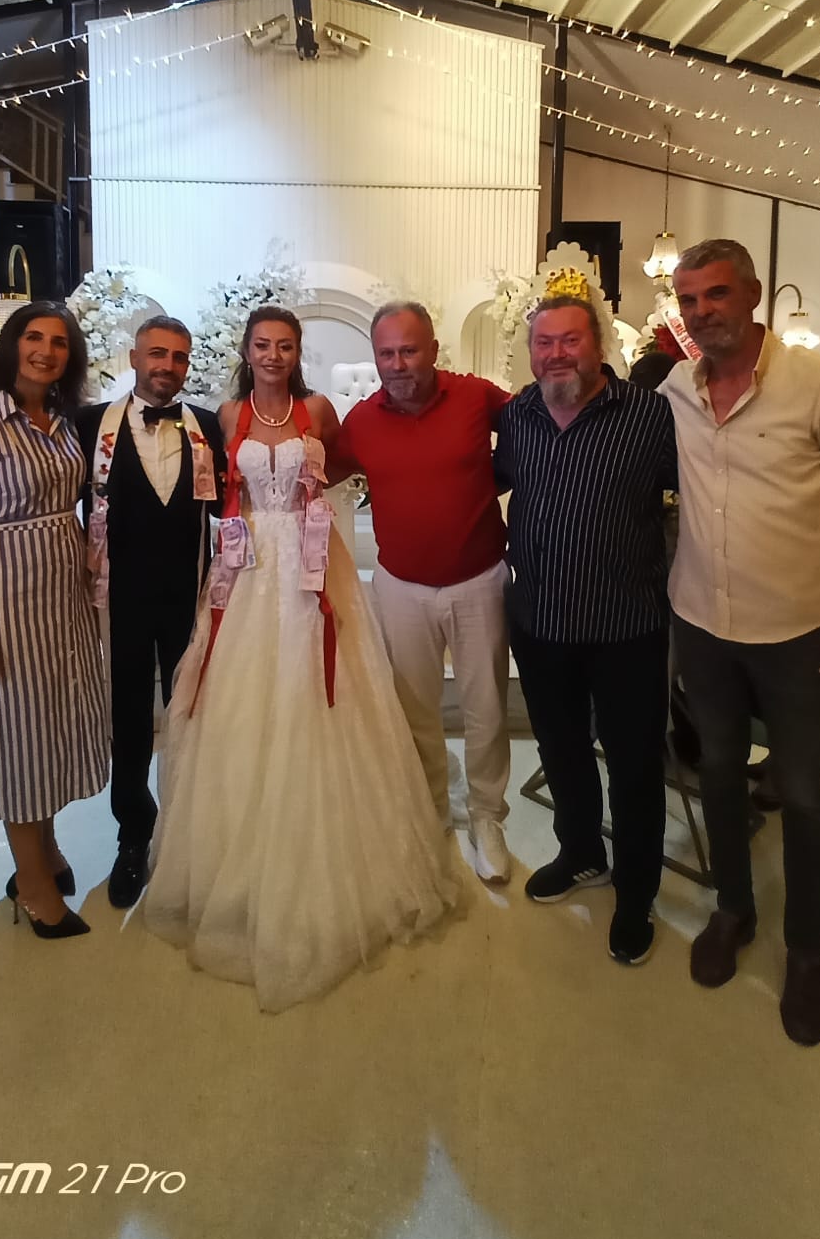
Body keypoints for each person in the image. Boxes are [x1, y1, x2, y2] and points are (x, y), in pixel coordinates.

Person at [142, 306, 453, 1012]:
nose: (274, 355)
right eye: (263, 345)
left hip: (315, 562)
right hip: (251, 566)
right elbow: (221, 490)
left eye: (285, 345)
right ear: (247, 351)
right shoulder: (228, 414)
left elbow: (347, 463)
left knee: (325, 692)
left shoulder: (320, 410)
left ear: (297, 351)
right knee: (247, 701)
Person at [663, 239, 820, 1045]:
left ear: (753, 294)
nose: (702, 312)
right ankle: (735, 908)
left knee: (801, 795)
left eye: (716, 294)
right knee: (719, 774)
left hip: (797, 634)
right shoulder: (676, 389)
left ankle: (806, 951)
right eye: (689, 300)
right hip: (702, 625)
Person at [495, 296, 677, 966]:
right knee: (562, 748)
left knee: (633, 765)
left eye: (569, 341)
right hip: (541, 621)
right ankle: (580, 853)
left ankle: (635, 892)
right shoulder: (517, 415)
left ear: (598, 345)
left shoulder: (650, 415)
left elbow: (697, 497)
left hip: (626, 625)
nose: (556, 355)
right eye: (543, 343)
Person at [0, 301, 108, 940]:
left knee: (48, 727)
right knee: (18, 736)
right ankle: (33, 885)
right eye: (34, 338)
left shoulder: (61, 423)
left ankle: (46, 849)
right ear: (12, 346)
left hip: (59, 601)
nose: (46, 350)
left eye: (59, 342)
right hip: (7, 602)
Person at [333, 303, 513, 883]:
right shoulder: (361, 421)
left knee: (487, 708)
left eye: (409, 350)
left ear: (433, 349)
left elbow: (537, 432)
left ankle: (487, 816)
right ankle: (430, 805)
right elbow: (319, 472)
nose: (398, 364)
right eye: (386, 353)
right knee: (415, 710)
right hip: (401, 587)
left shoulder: (475, 397)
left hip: (479, 580)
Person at [77, 315, 225, 909]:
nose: (168, 365)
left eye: (179, 357)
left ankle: (192, 832)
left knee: (192, 711)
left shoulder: (208, 426)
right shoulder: (92, 425)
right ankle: (134, 834)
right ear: (134, 358)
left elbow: (230, 508)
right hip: (122, 599)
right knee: (131, 718)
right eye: (157, 353)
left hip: (190, 592)